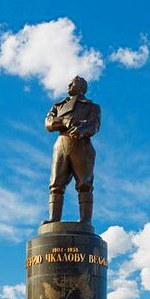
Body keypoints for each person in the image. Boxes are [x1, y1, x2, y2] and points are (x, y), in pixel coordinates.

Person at [44, 75, 101, 225]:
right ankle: (54, 218)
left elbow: (94, 125)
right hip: (61, 143)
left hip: (82, 145)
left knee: (85, 184)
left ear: (81, 86)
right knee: (56, 183)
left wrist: (81, 130)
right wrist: (63, 121)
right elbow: (49, 123)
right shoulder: (58, 106)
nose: (68, 85)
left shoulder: (92, 107)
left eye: (72, 83)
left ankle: (85, 220)